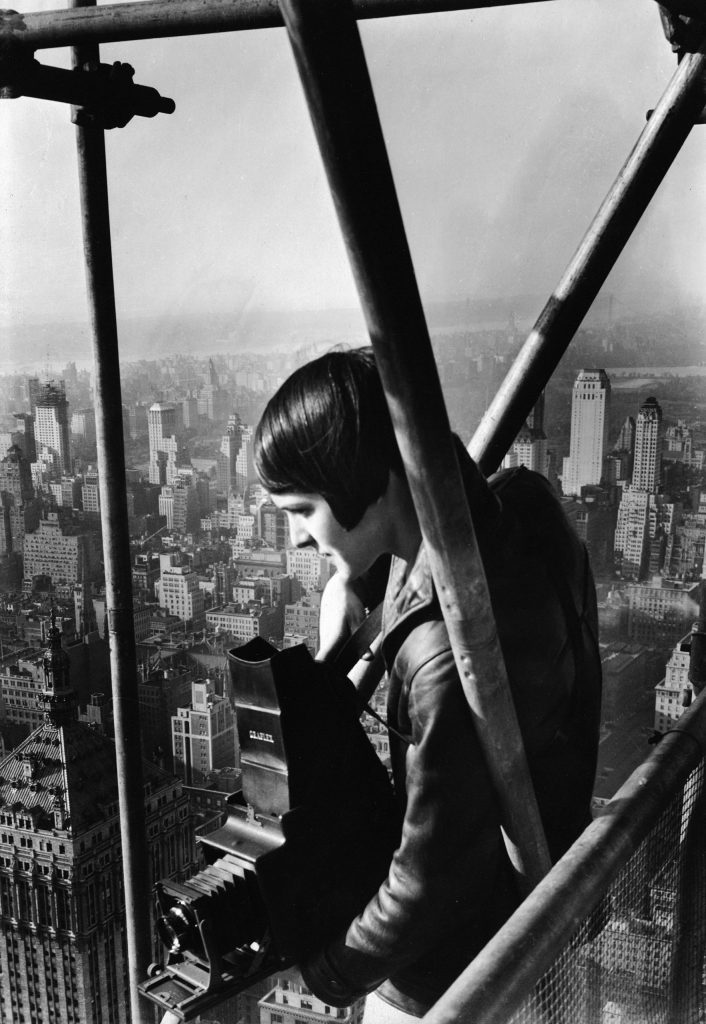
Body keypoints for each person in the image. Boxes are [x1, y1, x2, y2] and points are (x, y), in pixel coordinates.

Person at [254, 347, 602, 1020]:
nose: (298, 538)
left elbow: (426, 882)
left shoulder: (446, 653)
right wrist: (356, 615)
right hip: (544, 912)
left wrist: (323, 975)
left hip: (459, 975)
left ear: (364, 482)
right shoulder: (524, 510)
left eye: (302, 510)